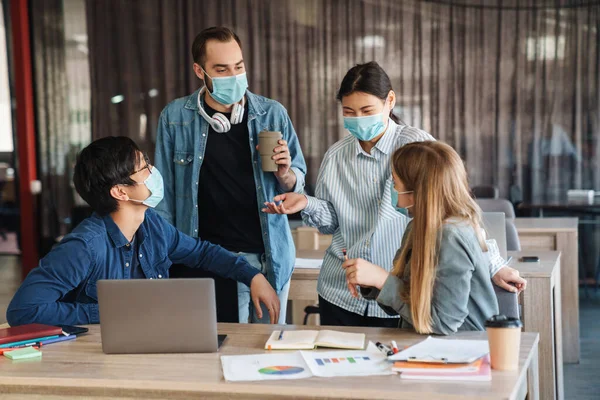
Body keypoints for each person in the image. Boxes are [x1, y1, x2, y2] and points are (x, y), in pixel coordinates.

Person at [263, 61, 526, 327]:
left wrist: (493, 264)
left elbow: (453, 207)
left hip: (400, 296)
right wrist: (306, 203)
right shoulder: (336, 155)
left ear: (390, 101)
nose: (358, 119)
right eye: (349, 112)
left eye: (367, 110)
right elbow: (333, 221)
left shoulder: (416, 146)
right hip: (344, 291)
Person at [6, 137, 280, 327]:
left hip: (149, 342)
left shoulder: (152, 226)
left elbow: (202, 253)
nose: (153, 171)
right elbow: (24, 310)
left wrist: (252, 275)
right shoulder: (84, 246)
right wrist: (110, 313)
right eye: (144, 168)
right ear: (120, 191)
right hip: (94, 359)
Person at [155, 26, 306, 324]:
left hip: (267, 258)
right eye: (221, 69)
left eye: (238, 67)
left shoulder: (271, 113)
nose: (233, 76)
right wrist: (167, 261)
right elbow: (163, 199)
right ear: (200, 71)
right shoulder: (174, 118)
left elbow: (297, 182)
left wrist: (286, 174)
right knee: (215, 357)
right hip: (206, 259)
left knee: (266, 354)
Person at [344, 141, 500, 334]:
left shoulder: (451, 237)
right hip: (424, 344)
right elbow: (402, 306)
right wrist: (372, 282)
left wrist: (383, 280)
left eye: (395, 183)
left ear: (416, 192)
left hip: (461, 351)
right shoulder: (417, 227)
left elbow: (442, 323)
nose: (392, 189)